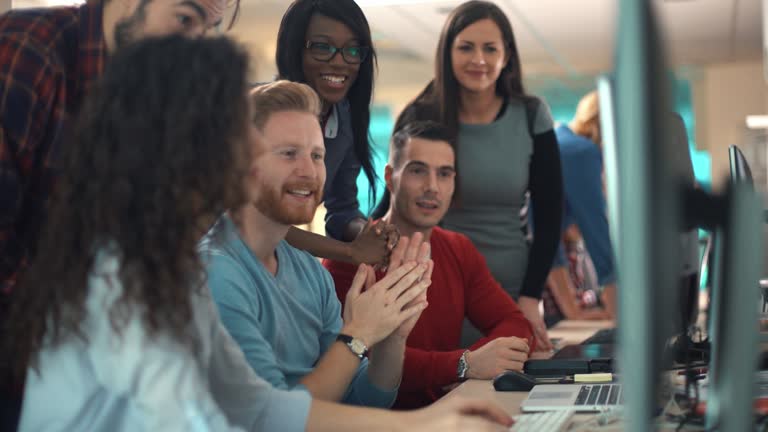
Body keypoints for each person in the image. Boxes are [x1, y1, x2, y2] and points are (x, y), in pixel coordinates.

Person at [2, 35, 514, 432]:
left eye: (316, 155)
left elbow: (264, 408)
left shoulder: (174, 270)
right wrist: (362, 341)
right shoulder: (170, 274)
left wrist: (396, 354)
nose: (311, 171)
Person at [0, 0, 237, 425]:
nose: (193, 49)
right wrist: (74, 337)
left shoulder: (150, 101)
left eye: (207, 31)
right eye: (185, 20)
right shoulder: (29, 47)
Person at [201, 80, 431, 408]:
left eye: (317, 155)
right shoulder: (215, 274)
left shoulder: (311, 272)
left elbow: (363, 399)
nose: (309, 171)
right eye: (288, 154)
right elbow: (273, 419)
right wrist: (358, 334)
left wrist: (391, 337)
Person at [324, 121, 536, 409]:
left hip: (448, 412)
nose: (432, 187)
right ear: (390, 177)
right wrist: (462, 365)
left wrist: (473, 364)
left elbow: (516, 324)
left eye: (444, 174)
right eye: (417, 170)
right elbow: (359, 360)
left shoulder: (458, 248)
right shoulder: (350, 257)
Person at [395, 0, 563, 350]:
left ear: (507, 55)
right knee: (441, 382)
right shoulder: (420, 114)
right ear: (448, 52)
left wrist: (531, 296)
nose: (479, 60)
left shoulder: (531, 115)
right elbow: (394, 202)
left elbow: (550, 216)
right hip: (435, 284)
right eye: (466, 47)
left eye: (491, 48)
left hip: (511, 289)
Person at [273, 0, 399, 269]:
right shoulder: (259, 113)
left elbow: (342, 211)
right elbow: (259, 222)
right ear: (294, 50)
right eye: (322, 47)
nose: (340, 62)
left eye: (352, 50)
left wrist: (370, 232)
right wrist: (350, 251)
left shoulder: (343, 121)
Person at [545, 91, 616, 321]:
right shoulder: (579, 152)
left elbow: (547, 239)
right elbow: (597, 230)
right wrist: (614, 289)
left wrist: (572, 312)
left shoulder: (560, 143)